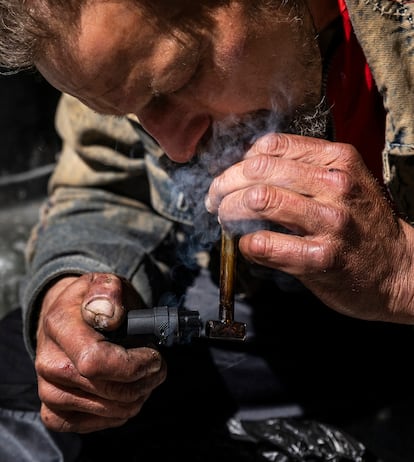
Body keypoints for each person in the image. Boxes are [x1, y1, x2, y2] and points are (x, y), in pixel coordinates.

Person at [0, 0, 414, 460]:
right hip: (290, 324)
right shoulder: (116, 48)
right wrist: (75, 290)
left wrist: (400, 271)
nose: (176, 149)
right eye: (129, 113)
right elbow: (108, 189)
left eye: (177, 80)